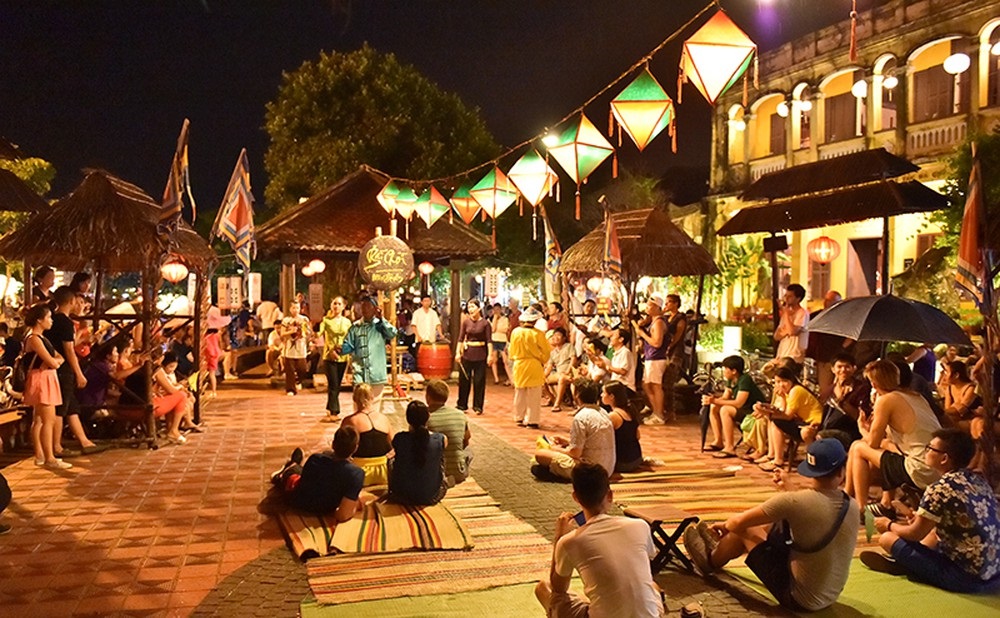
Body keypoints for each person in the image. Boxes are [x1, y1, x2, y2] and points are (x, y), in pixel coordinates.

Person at [684, 439, 859, 612]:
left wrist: (725, 526)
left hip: (798, 598)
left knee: (745, 528)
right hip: (829, 595)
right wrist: (789, 487)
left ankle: (711, 560)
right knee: (775, 522)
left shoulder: (794, 501)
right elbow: (813, 511)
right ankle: (721, 549)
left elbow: (737, 522)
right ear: (841, 472)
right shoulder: (852, 505)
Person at [861, 428, 1000, 593]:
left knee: (887, 539)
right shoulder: (978, 480)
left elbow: (915, 534)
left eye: (930, 448)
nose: (925, 451)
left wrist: (888, 524)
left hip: (966, 579)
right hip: (993, 574)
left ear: (944, 458)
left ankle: (908, 565)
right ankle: (910, 563)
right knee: (932, 533)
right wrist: (919, 521)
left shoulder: (939, 489)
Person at [535, 463, 664, 618]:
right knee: (652, 586)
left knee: (544, 588)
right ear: (609, 495)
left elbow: (559, 589)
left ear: (576, 497)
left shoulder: (569, 541)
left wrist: (559, 537)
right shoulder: (640, 525)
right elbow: (646, 562)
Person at [846, 359, 941, 520]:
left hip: (919, 468)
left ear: (874, 384)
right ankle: (883, 502)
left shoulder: (886, 400)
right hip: (936, 466)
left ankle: (860, 508)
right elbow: (894, 441)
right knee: (884, 451)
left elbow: (873, 443)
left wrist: (862, 427)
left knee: (858, 447)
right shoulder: (916, 396)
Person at [44, 287, 104, 456]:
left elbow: (67, 344)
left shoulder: (53, 320)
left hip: (55, 366)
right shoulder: (65, 322)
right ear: (71, 301)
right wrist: (78, 373)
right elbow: (69, 350)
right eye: (78, 302)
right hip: (63, 369)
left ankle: (85, 441)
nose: (80, 305)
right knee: (61, 408)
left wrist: (83, 339)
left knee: (71, 407)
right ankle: (56, 447)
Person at [273, 426, 368, 520]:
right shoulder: (357, 474)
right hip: (324, 509)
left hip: (299, 502)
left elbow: (342, 515)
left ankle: (290, 466)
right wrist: (355, 505)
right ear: (355, 448)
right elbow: (343, 515)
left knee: (294, 472)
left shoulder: (315, 458)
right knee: (298, 471)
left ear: (333, 444)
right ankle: (291, 466)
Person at [532, 378, 615, 482]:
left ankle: (562, 475)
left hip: (591, 470)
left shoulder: (581, 417)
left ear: (577, 395)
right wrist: (567, 442)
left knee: (540, 454)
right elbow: (591, 442)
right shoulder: (603, 412)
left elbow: (575, 453)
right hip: (608, 468)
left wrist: (554, 448)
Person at [23, 304, 69, 470]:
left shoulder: (42, 338)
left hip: (44, 377)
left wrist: (54, 361)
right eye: (48, 317)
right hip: (42, 379)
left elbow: (59, 358)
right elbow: (53, 362)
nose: (51, 321)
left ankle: (41, 455)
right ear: (39, 320)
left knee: (40, 419)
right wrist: (54, 362)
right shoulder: (34, 339)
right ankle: (49, 456)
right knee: (47, 419)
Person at [753, 366, 823, 471]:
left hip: (813, 423)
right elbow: (782, 410)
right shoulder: (787, 392)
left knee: (776, 421)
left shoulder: (796, 390)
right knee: (773, 421)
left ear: (791, 380)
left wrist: (766, 413)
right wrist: (779, 400)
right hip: (802, 421)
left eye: (784, 381)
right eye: (777, 381)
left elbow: (787, 415)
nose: (780, 384)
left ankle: (778, 460)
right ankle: (772, 455)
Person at [703, 355, 766, 459]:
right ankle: (718, 441)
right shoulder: (731, 380)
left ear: (734, 371)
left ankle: (729, 447)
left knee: (725, 410)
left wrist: (716, 400)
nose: (724, 372)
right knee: (714, 406)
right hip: (742, 409)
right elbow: (725, 397)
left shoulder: (744, 379)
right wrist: (712, 400)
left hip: (752, 410)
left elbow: (739, 403)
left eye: (725, 369)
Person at [388, 401, 448, 505]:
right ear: (428, 417)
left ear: (408, 419)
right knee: (440, 457)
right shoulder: (441, 439)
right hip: (431, 496)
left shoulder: (399, 438)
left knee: (391, 460)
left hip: (401, 495)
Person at [341, 296, 397, 403]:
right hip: (359, 374)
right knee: (359, 406)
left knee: (374, 407)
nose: (365, 309)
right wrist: (340, 349)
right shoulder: (355, 327)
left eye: (368, 306)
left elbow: (392, 333)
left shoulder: (380, 326)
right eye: (363, 307)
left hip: (376, 375)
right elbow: (348, 346)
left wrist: (382, 319)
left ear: (375, 309)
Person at [340, 384, 394, 486]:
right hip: (383, 470)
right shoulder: (384, 419)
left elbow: (341, 448)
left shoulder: (350, 421)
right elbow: (394, 445)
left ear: (354, 399)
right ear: (372, 397)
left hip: (360, 470)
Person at [508, 306, 550, 429]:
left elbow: (512, 350)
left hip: (519, 364)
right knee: (534, 394)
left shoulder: (516, 332)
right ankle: (532, 420)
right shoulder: (538, 334)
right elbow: (546, 352)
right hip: (534, 365)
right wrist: (542, 360)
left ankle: (519, 417)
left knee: (520, 392)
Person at [425, 379, 472, 485]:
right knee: (469, 451)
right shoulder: (460, 414)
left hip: (433, 473)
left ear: (428, 397)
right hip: (458, 472)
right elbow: (466, 440)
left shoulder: (423, 417)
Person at [633, 293, 669, 425]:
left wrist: (642, 334)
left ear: (656, 307)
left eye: (650, 306)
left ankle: (659, 414)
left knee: (655, 385)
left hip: (656, 357)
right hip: (650, 357)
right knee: (647, 385)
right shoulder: (653, 321)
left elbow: (657, 342)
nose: (647, 308)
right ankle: (656, 411)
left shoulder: (659, 322)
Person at [455, 299, 493, 415]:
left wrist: (490, 355)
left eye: (473, 307)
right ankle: (462, 404)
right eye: (469, 307)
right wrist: (458, 353)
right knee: (464, 380)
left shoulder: (485, 324)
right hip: (467, 354)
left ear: (479, 308)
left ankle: (478, 406)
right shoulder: (466, 322)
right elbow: (461, 339)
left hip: (480, 354)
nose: (470, 309)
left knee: (479, 381)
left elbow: (489, 341)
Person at [319, 296, 351, 421]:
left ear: (343, 306)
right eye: (334, 303)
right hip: (329, 356)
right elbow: (319, 333)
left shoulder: (347, 322)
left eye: (339, 304)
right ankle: (334, 411)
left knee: (337, 384)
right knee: (332, 383)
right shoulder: (326, 320)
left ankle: (330, 407)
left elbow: (350, 338)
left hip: (343, 356)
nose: (336, 306)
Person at [151, 352, 191, 444]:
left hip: (144, 402)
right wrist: (180, 386)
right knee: (181, 395)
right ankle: (173, 429)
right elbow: (171, 390)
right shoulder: (157, 370)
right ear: (160, 359)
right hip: (151, 405)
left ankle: (172, 428)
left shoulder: (143, 367)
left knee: (178, 397)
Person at [603, 381, 644, 473]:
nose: (601, 395)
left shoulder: (613, 416)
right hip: (637, 458)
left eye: (604, 393)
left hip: (623, 463)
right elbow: (638, 436)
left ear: (611, 396)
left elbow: (604, 440)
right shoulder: (630, 411)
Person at [661, 294, 687, 421]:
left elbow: (678, 334)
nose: (667, 305)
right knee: (661, 381)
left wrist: (670, 346)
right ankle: (665, 408)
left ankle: (671, 411)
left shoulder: (680, 318)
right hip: (665, 351)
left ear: (676, 303)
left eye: (669, 302)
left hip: (676, 352)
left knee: (669, 381)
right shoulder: (666, 317)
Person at [278, 301, 311, 396]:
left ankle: (298, 381)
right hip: (289, 348)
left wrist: (304, 332)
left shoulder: (304, 319)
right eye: (293, 308)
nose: (295, 310)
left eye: (297, 308)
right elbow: (282, 333)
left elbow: (308, 332)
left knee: (302, 368)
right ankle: (290, 389)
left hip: (301, 348)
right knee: (290, 370)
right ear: (290, 309)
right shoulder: (286, 320)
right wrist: (291, 331)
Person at [773, 284, 809, 364]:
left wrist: (785, 312)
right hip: (782, 354)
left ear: (798, 298)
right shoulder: (785, 314)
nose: (786, 298)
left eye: (790, 296)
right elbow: (776, 336)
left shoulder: (802, 313)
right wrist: (786, 331)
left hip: (794, 356)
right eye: (786, 295)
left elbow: (793, 331)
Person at [938, 360, 981, 428]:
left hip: (972, 421)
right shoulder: (949, 388)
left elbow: (961, 409)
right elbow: (948, 408)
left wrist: (938, 412)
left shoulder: (970, 388)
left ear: (956, 375)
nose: (944, 376)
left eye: (947, 372)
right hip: (956, 419)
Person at [542, 327, 574, 412]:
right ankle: (551, 398)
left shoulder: (569, 346)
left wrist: (568, 371)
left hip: (568, 373)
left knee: (562, 378)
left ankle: (557, 404)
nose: (555, 337)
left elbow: (573, 360)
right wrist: (543, 376)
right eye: (554, 335)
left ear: (564, 338)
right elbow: (549, 366)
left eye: (558, 335)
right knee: (541, 380)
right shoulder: (553, 352)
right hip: (558, 373)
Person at [489, 302, 511, 385]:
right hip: (494, 340)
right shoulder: (491, 319)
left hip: (502, 340)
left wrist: (498, 328)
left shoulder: (505, 319)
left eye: (498, 309)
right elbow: (493, 329)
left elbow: (504, 329)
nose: (496, 311)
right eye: (494, 310)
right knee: (494, 359)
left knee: (505, 360)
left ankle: (510, 378)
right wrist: (494, 319)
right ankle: (496, 378)